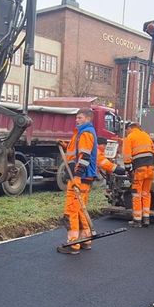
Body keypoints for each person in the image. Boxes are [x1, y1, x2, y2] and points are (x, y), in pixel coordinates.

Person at [58, 108, 98, 255]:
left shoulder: (86, 133)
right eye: (76, 117)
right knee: (81, 210)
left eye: (80, 117)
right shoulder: (82, 133)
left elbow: (84, 156)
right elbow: (77, 151)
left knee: (72, 211)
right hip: (84, 178)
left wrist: (77, 176)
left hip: (79, 177)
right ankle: (85, 240)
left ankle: (73, 243)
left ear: (88, 118)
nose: (77, 119)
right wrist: (65, 145)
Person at [122, 121, 154, 227]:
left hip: (140, 170)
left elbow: (127, 156)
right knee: (146, 194)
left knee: (137, 194)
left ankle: (137, 220)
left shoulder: (130, 137)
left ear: (129, 129)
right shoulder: (146, 135)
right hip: (150, 169)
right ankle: (146, 219)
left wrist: (128, 170)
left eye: (126, 130)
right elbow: (153, 150)